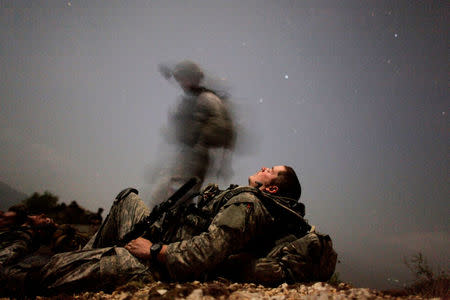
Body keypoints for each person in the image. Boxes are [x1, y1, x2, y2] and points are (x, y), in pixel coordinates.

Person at [39, 164, 337, 294]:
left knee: (47, 274)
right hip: (162, 239)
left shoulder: (248, 205)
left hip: (159, 266)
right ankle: (87, 252)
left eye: (270, 170)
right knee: (127, 198)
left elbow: (207, 252)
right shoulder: (252, 203)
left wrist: (155, 250)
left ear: (271, 188)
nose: (262, 167)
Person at [149, 60, 235, 206]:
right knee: (163, 199)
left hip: (193, 160)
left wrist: (199, 138)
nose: (181, 83)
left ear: (192, 78)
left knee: (175, 202)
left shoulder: (207, 99)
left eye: (183, 78)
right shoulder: (191, 100)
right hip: (185, 158)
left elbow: (224, 131)